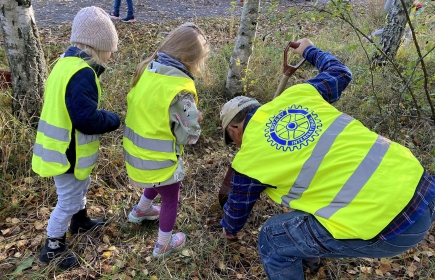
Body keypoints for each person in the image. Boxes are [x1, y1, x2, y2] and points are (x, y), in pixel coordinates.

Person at [219, 38, 435, 280]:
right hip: (423, 187)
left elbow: (237, 209)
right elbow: (340, 72)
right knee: (300, 212)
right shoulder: (299, 95)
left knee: (272, 236)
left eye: (232, 141)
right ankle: (310, 260)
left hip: (392, 228)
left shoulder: (248, 161)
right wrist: (309, 50)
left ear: (235, 129)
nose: (235, 146)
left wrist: (229, 228)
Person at [32, 6, 120, 269]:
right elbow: (86, 119)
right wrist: (112, 119)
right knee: (68, 199)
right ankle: (53, 245)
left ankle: (80, 221)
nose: (110, 56)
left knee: (80, 186)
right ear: (97, 47)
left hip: (61, 147)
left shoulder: (64, 63)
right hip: (67, 151)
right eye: (109, 51)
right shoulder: (82, 73)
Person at [123, 22, 210, 258]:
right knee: (172, 196)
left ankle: (140, 211)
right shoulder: (179, 89)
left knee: (157, 181)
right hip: (160, 159)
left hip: (134, 154)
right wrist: (195, 118)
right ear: (190, 59)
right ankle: (163, 245)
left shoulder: (147, 70)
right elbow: (190, 136)